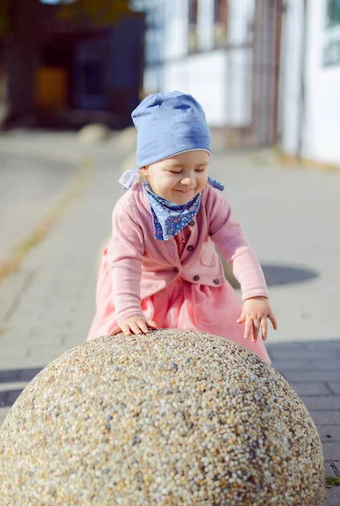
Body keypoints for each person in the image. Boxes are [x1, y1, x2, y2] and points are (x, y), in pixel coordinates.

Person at [88, 91, 277, 362]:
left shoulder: (210, 199)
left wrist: (255, 294)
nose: (189, 181)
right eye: (176, 171)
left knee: (229, 348)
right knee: (123, 353)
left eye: (200, 169)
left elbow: (236, 244)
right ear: (145, 169)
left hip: (200, 287)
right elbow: (124, 261)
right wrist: (129, 310)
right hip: (144, 289)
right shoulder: (131, 208)